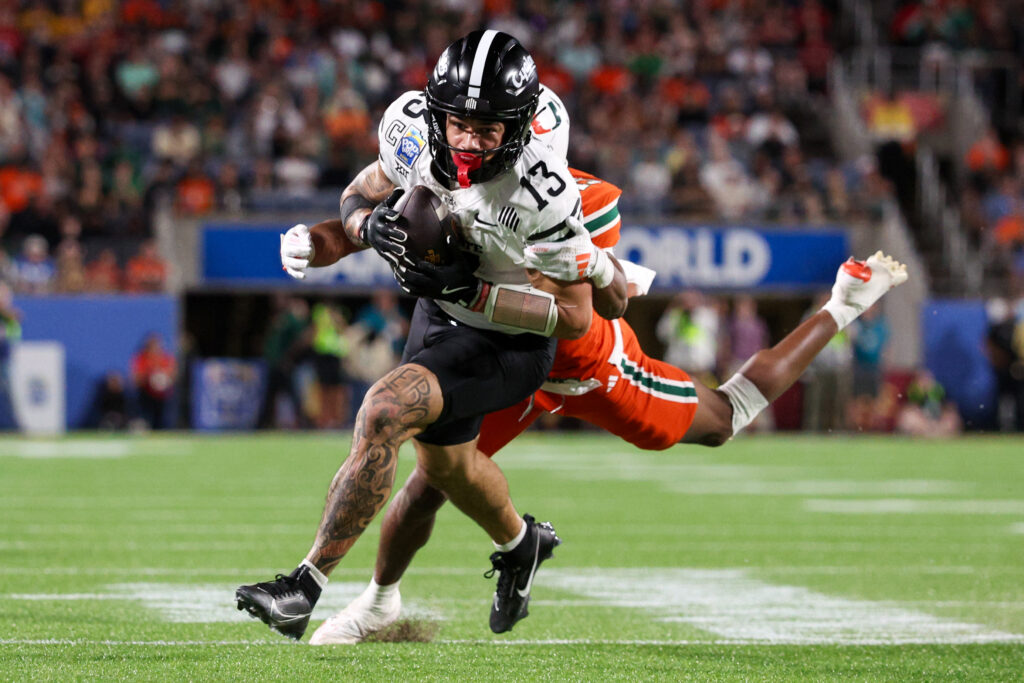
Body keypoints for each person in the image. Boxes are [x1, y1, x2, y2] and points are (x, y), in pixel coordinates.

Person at [307, 174, 910, 644]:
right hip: (503, 360)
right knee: (433, 474)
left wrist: (561, 271)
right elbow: (371, 198)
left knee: (723, 418)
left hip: (584, 367)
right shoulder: (457, 166)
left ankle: (842, 304)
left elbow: (596, 294)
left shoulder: (565, 195)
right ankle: (381, 604)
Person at [236, 30, 627, 640]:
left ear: (520, 127)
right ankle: (522, 545)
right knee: (449, 469)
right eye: (459, 123)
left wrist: (478, 292)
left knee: (384, 410)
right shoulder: (414, 130)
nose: (470, 140)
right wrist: (343, 233)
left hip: (508, 339)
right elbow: (357, 198)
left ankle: (303, 586)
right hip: (441, 315)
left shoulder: (540, 193)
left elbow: (581, 317)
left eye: (489, 128)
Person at [130, 332, 176, 429]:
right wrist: (149, 376)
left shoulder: (166, 358)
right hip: (146, 394)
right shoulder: (141, 358)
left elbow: (173, 375)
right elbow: (136, 378)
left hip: (162, 396)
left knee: (161, 421)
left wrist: (163, 378)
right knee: (145, 419)